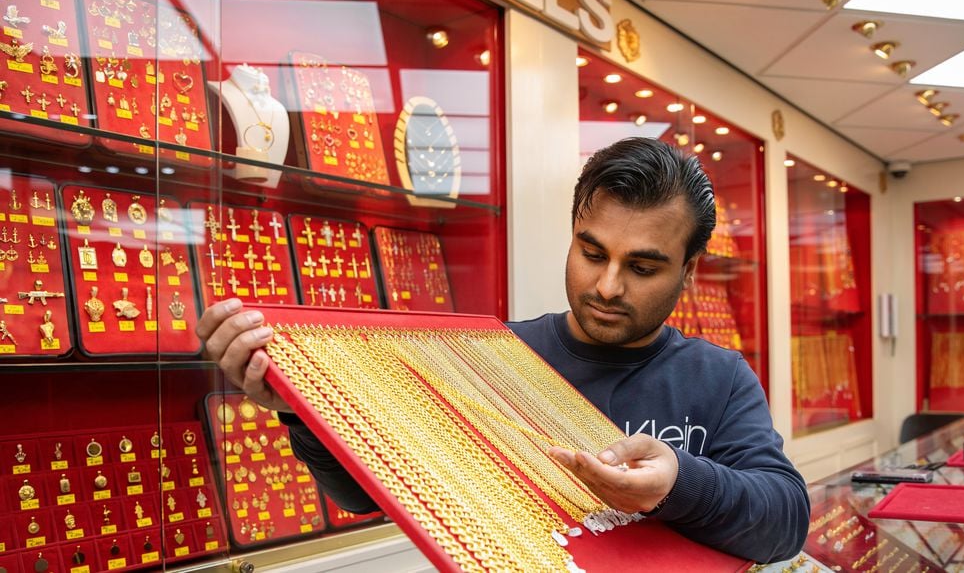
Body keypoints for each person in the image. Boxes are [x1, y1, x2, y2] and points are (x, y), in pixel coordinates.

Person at [198, 137, 810, 563]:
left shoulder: (719, 377)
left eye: (644, 266)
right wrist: (295, 405)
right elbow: (366, 494)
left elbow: (784, 523)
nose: (607, 286)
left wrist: (677, 483)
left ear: (689, 270)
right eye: (592, 252)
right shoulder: (494, 356)